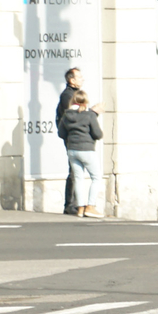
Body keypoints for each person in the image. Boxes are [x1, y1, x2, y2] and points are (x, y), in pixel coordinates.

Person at [58, 89, 104, 219]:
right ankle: (91, 206)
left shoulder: (66, 115)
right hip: (87, 149)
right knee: (96, 177)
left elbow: (61, 133)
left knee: (78, 178)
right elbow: (98, 134)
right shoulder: (89, 115)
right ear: (85, 102)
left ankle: (80, 208)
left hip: (72, 150)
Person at [55, 68, 85, 216]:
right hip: (72, 136)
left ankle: (74, 203)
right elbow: (72, 115)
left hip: (74, 135)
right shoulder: (68, 95)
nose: (82, 79)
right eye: (79, 77)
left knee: (76, 169)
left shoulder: (73, 94)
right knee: (74, 169)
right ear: (71, 80)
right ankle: (70, 204)